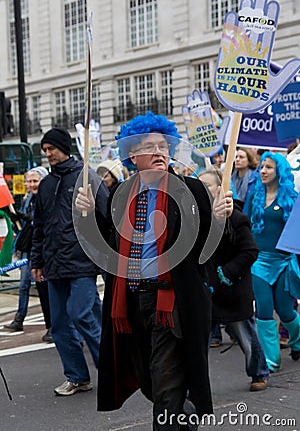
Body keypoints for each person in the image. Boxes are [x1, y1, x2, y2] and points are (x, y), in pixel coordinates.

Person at [75, 112, 233, 429]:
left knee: (165, 387)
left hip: (173, 304)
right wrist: (89, 215)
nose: (160, 151)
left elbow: (217, 246)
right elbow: (105, 248)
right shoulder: (121, 196)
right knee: (152, 382)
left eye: (163, 145)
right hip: (132, 304)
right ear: (133, 155)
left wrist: (220, 218)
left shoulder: (191, 190)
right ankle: (181, 414)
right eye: (151, 146)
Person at [30, 127, 109, 396]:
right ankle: (77, 376)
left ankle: (110, 369)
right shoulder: (46, 184)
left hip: (83, 262)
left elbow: (109, 218)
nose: (48, 154)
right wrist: (36, 260)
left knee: (81, 313)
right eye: (45, 151)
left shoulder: (89, 179)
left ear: (64, 147)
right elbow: (38, 226)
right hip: (54, 265)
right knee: (60, 325)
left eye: (51, 149)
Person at [199, 169, 269, 391]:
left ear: (220, 189)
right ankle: (193, 386)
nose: (201, 190)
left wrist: (226, 273)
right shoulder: (197, 219)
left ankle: (259, 372)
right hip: (206, 290)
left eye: (206, 185)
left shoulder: (237, 218)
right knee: (196, 343)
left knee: (246, 336)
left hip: (233, 289)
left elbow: (249, 252)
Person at [248, 152, 300, 372]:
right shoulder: (254, 195)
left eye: (268, 167)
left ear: (279, 171)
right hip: (259, 262)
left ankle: (297, 341)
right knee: (264, 309)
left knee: (286, 310)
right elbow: (243, 225)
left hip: (284, 262)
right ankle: (271, 360)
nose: (263, 171)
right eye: (261, 167)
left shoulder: (292, 198)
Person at [4, 167, 53, 343]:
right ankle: (20, 318)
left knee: (48, 289)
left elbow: (39, 222)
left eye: (35, 181)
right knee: (25, 284)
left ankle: (55, 326)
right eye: (29, 181)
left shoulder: (47, 198)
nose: (31, 185)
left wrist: (26, 217)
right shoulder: (28, 199)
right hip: (30, 248)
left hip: (45, 250)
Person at [231, 147, 259, 213]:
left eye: (241, 157)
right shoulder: (231, 177)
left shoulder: (256, 178)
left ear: (249, 161)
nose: (237, 159)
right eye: (236, 157)